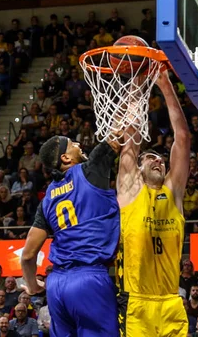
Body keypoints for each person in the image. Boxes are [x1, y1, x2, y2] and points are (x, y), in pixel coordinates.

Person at [20, 133, 121, 336]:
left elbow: (28, 255)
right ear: (65, 158)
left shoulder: (48, 198)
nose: (78, 144)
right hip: (89, 279)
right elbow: (120, 134)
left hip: (57, 286)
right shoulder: (90, 170)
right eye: (72, 144)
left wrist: (33, 286)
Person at [116, 71, 190, 336]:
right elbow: (131, 136)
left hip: (171, 301)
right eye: (150, 158)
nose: (158, 160)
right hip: (137, 300)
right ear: (138, 168)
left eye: (160, 158)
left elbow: (182, 138)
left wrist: (166, 85)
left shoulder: (173, 192)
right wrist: (137, 83)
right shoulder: (130, 190)